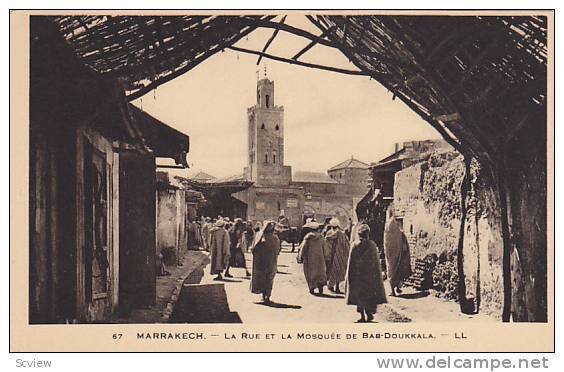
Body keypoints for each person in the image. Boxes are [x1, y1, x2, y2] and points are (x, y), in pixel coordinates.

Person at [345, 224, 387, 322]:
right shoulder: (372, 245)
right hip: (369, 277)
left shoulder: (354, 245)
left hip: (358, 276)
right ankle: (368, 314)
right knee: (368, 296)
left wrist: (350, 277)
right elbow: (376, 264)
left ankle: (363, 316)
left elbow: (351, 263)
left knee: (360, 297)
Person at [250, 221, 281, 303]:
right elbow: (278, 250)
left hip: (260, 262)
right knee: (269, 278)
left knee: (262, 277)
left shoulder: (259, 236)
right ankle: (267, 295)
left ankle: (264, 295)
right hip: (270, 261)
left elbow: (253, 248)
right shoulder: (275, 238)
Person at [384, 208, 412, 296]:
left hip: (390, 256)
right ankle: (398, 287)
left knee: (391, 272)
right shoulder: (398, 232)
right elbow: (404, 244)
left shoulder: (387, 229)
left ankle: (393, 291)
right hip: (397, 255)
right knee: (398, 270)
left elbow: (386, 243)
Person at [297, 221, 328, 295]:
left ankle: (311, 288)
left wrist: (300, 256)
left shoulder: (307, 238)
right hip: (320, 259)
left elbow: (303, 248)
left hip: (309, 259)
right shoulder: (321, 238)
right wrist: (326, 256)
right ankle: (320, 288)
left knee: (310, 273)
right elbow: (325, 249)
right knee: (320, 273)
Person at [325, 218, 350, 294]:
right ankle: (337, 287)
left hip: (332, 255)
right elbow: (347, 245)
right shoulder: (342, 234)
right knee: (339, 271)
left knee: (332, 271)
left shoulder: (329, 234)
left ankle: (331, 285)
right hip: (341, 255)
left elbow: (326, 243)